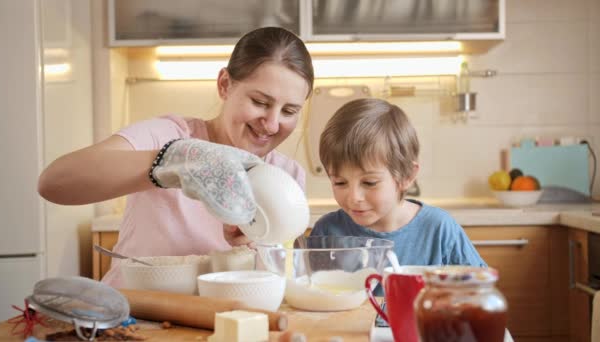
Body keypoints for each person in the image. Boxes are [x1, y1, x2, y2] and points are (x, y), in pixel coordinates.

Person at [38, 27, 314, 287]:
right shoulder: (167, 135)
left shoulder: (286, 176)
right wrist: (179, 162)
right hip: (135, 320)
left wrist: (257, 246)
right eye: (260, 103)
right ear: (225, 85)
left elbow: (285, 278)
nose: (273, 124)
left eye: (289, 111)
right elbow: (55, 182)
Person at [310, 98, 486, 268]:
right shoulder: (327, 232)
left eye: (370, 182)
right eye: (340, 182)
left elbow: (479, 289)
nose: (354, 197)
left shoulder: (439, 229)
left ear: (406, 176)